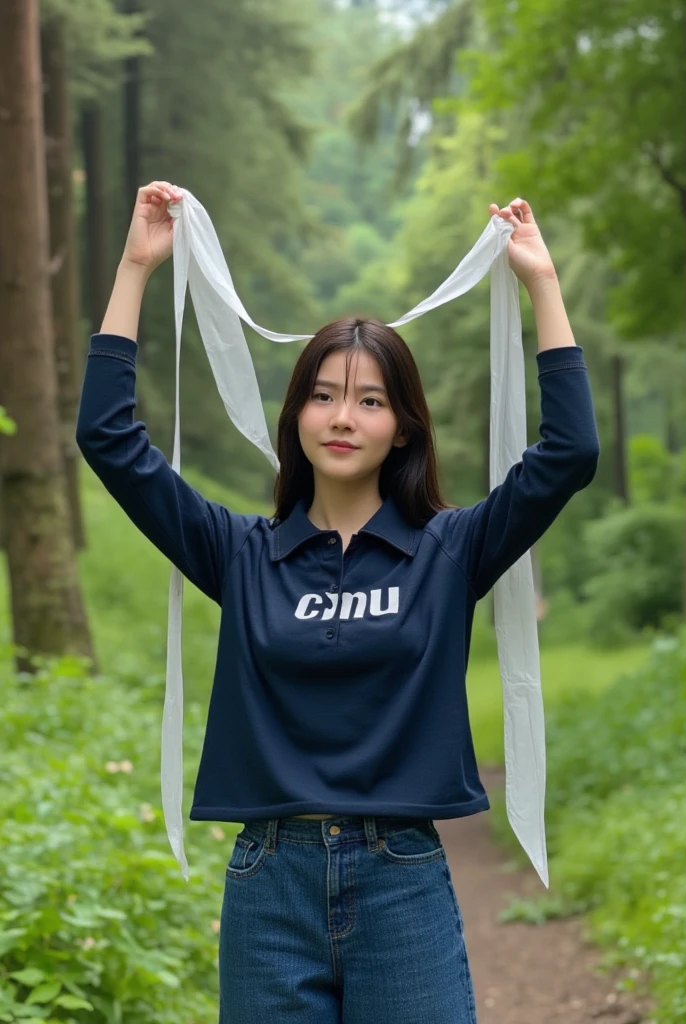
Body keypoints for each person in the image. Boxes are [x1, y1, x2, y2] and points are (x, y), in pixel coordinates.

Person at [76, 181, 600, 1023]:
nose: (342, 417)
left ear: (403, 426)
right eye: (323, 395)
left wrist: (542, 283)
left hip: (403, 881)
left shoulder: (449, 549)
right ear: (296, 418)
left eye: (370, 399)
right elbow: (109, 439)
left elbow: (569, 452)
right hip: (267, 884)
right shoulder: (242, 554)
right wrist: (137, 266)